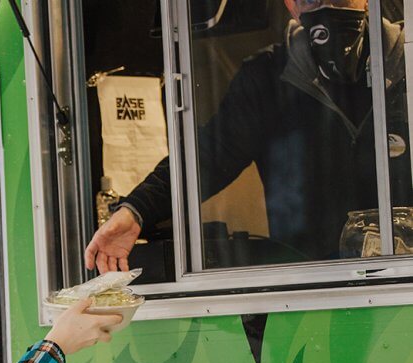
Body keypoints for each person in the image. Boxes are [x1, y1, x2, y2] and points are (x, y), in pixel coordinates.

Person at [86, 0, 410, 272]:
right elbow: (207, 157)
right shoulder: (267, 77)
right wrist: (135, 211)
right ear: (291, 6)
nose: (326, 8)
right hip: (312, 291)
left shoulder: (408, 66)